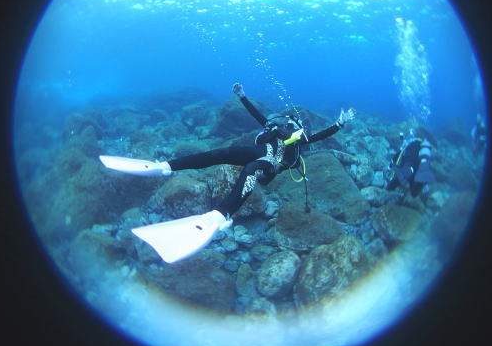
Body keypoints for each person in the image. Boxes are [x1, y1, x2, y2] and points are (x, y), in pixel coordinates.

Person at [99, 83, 355, 263]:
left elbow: (318, 136)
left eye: (291, 122)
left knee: (251, 169)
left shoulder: (297, 138)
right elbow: (257, 115)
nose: (286, 123)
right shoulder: (273, 128)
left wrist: (339, 124)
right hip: (258, 152)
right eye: (286, 121)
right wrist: (242, 96)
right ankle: (166, 167)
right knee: (221, 153)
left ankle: (220, 215)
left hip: (270, 165)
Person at [385, 129, 436, 196]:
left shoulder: (410, 142)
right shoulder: (423, 147)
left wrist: (389, 167)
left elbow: (398, 155)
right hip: (416, 169)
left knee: (399, 178)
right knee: (414, 190)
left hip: (407, 165)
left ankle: (388, 191)